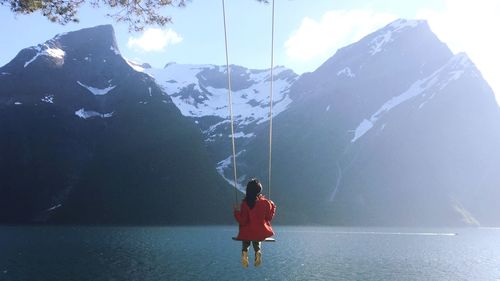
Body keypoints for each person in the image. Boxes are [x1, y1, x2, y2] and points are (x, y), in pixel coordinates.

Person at [234, 178, 276, 268]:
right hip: (260, 232)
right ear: (259, 190)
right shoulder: (266, 203)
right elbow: (269, 218)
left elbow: (242, 221)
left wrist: (236, 212)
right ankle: (258, 251)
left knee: (246, 235)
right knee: (257, 236)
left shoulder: (245, 204)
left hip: (247, 233)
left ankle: (244, 252)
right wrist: (273, 207)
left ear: (248, 190)